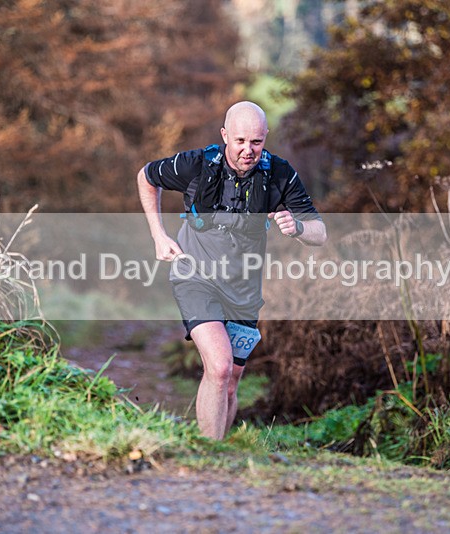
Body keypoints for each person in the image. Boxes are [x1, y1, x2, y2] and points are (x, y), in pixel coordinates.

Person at [137, 101, 326, 439]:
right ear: (225, 135)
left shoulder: (279, 173)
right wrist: (158, 235)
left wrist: (297, 227)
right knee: (220, 366)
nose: (247, 150)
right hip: (195, 277)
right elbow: (146, 177)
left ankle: (217, 453)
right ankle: (208, 453)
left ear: (265, 138)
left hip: (243, 290)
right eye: (239, 141)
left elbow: (320, 232)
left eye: (256, 142)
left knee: (230, 381)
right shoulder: (197, 164)